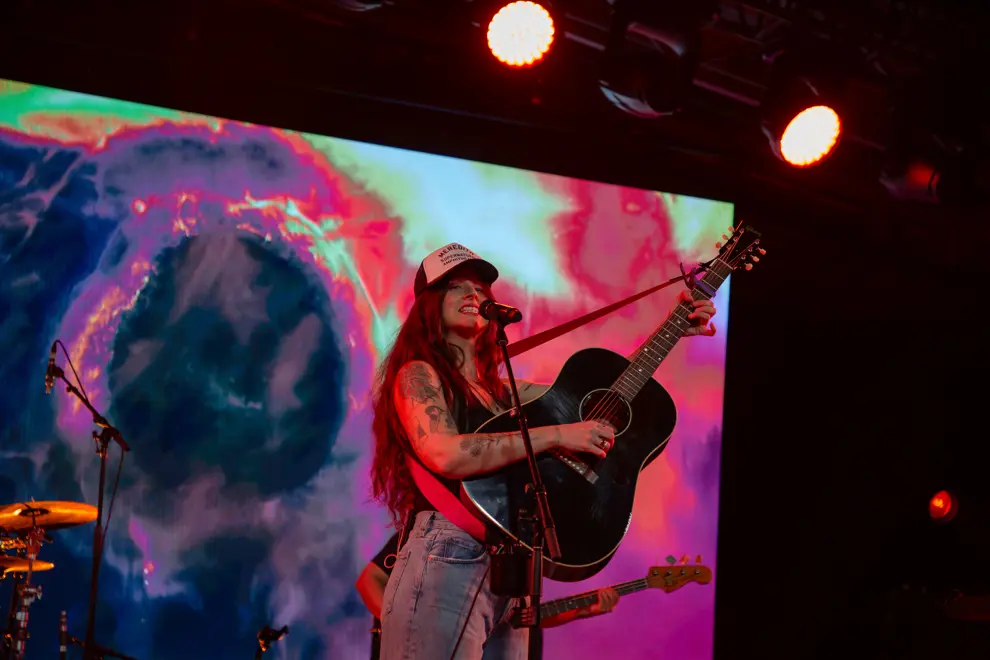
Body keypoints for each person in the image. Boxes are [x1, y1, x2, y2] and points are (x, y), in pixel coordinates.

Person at [369, 243, 716, 660]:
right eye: (455, 287)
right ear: (428, 306)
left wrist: (674, 327)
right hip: (447, 554)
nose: (473, 296)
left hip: (512, 570)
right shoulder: (418, 374)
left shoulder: (502, 392)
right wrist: (557, 436)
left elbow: (592, 396)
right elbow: (446, 453)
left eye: (481, 290)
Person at [355, 533, 621, 658]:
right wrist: (407, 624)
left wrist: (581, 610)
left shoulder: (527, 541)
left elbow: (520, 617)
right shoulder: (444, 532)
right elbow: (369, 580)